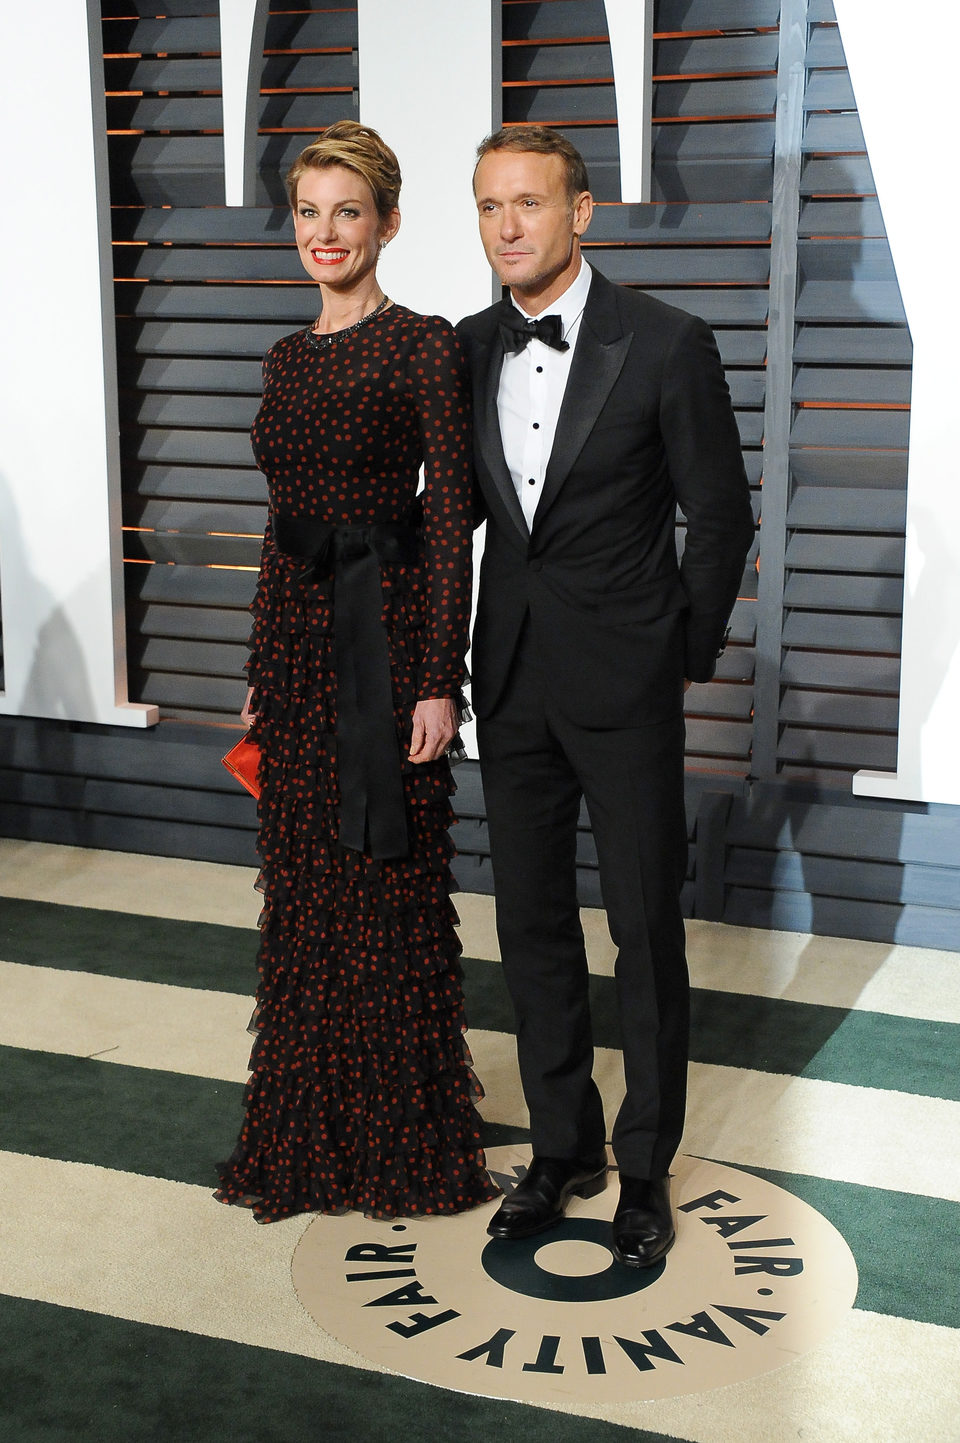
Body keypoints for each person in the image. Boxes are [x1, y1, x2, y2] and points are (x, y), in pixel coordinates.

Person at [457, 127, 755, 1265]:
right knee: (530, 927)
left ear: (582, 212)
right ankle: (561, 1146)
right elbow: (460, 526)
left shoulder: (667, 343)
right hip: (513, 680)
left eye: (528, 203)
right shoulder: (470, 345)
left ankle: (642, 1168)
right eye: (489, 207)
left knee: (644, 932)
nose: (507, 227)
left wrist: (673, 654)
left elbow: (718, 516)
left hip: (627, 685)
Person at [215, 120, 497, 1222]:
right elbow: (282, 524)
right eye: (308, 213)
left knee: (388, 892)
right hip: (294, 650)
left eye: (347, 212)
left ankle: (399, 1149)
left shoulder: (425, 343)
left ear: (387, 222)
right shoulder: (288, 357)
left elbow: (456, 517)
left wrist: (439, 678)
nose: (325, 234)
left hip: (384, 646)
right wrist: (258, 665)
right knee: (304, 901)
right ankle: (306, 1132)